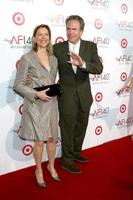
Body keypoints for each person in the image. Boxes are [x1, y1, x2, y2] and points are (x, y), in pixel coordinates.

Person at [53, 15, 103, 174]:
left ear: (81, 30)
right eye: (68, 28)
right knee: (67, 129)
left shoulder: (90, 47)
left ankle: (76, 153)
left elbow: (98, 68)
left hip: (84, 96)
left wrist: (82, 64)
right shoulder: (57, 48)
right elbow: (45, 66)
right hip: (66, 96)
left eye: (74, 29)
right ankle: (66, 162)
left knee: (81, 127)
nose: (70, 32)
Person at [14, 24, 60, 188]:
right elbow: (18, 85)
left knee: (52, 139)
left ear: (49, 37)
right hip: (37, 106)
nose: (43, 37)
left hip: (52, 104)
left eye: (46, 34)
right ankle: (39, 170)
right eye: (39, 34)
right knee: (40, 141)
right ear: (34, 38)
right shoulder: (27, 58)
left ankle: (51, 166)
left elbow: (53, 80)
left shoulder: (54, 58)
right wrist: (36, 94)